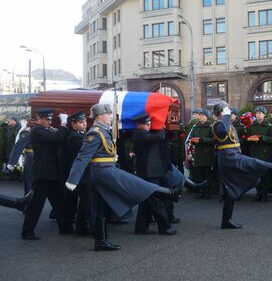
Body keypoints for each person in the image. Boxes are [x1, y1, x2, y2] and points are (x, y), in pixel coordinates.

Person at [66, 103, 182, 251]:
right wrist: (73, 179)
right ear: (100, 116)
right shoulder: (95, 133)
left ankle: (100, 241)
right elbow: (82, 157)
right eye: (108, 114)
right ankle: (170, 193)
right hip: (103, 172)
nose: (110, 117)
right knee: (134, 183)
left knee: (102, 208)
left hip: (107, 169)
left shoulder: (103, 130)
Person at [211, 101, 272, 229]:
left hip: (232, 157)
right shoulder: (218, 124)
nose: (230, 112)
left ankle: (226, 221)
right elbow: (222, 132)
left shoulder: (227, 123)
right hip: (229, 159)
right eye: (227, 110)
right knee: (257, 163)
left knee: (230, 192)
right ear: (222, 112)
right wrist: (225, 116)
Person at [22, 108, 73, 240]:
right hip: (43, 173)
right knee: (36, 204)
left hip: (53, 172)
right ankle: (27, 231)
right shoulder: (37, 131)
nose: (49, 122)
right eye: (47, 119)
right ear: (39, 118)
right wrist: (63, 123)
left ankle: (65, 228)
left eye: (51, 119)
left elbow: (61, 139)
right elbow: (57, 137)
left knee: (60, 201)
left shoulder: (47, 130)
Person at [132, 113, 176, 236]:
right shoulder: (139, 134)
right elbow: (159, 137)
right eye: (146, 123)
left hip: (155, 170)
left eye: (149, 123)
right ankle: (164, 227)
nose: (149, 125)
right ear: (139, 125)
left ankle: (141, 227)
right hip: (149, 172)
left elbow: (165, 138)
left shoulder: (148, 133)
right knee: (155, 199)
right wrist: (161, 125)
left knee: (148, 199)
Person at [60, 111, 94, 235]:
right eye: (80, 122)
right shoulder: (74, 136)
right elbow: (86, 150)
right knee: (86, 201)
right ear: (73, 124)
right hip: (79, 174)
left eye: (84, 121)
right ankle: (92, 228)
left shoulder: (83, 134)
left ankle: (81, 227)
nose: (84, 124)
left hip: (82, 173)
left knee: (83, 202)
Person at [247, 106, 272, 203]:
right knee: (256, 175)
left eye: (260, 113)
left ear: (264, 114)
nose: (258, 114)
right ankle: (258, 193)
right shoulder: (251, 126)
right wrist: (251, 139)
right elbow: (248, 137)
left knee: (265, 174)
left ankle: (265, 194)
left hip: (265, 153)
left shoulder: (269, 126)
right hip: (254, 152)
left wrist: (262, 138)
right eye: (257, 113)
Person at [188, 109, 216, 200]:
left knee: (208, 174)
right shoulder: (196, 127)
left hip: (207, 154)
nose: (201, 117)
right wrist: (193, 140)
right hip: (198, 153)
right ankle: (202, 192)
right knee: (200, 175)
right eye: (200, 115)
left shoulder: (211, 127)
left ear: (207, 117)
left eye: (203, 115)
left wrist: (202, 140)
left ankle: (208, 193)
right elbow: (191, 138)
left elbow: (214, 140)